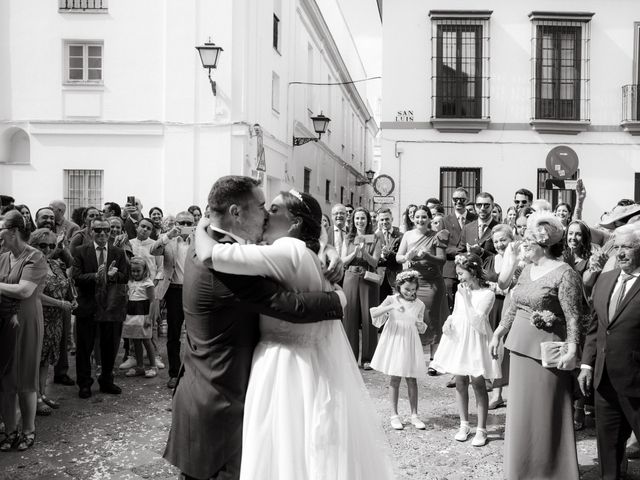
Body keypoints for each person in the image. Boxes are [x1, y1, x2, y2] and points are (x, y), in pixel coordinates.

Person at [196, 189, 395, 480]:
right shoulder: (305, 251)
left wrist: (201, 227)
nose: (266, 214)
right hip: (307, 357)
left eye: (274, 210)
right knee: (308, 444)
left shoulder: (288, 250)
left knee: (282, 446)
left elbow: (214, 255)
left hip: (285, 362)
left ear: (294, 224)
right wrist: (326, 247)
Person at [163, 176, 345, 480]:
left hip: (207, 389)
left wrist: (323, 248)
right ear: (236, 212)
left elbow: (290, 250)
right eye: (262, 207)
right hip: (219, 400)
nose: (266, 215)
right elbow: (289, 305)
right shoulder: (219, 267)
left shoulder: (219, 242)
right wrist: (339, 299)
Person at [489, 211, 583, 479]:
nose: (522, 245)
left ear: (543, 243)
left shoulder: (565, 274)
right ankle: (521, 469)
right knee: (521, 415)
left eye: (528, 241)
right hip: (519, 349)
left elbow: (574, 315)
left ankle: (554, 470)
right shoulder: (526, 269)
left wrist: (573, 350)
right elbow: (514, 303)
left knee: (547, 412)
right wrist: (499, 332)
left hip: (548, 353)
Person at [578, 222, 640, 480]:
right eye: (617, 247)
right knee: (608, 450)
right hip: (604, 383)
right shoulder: (605, 280)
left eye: (628, 247)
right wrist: (586, 365)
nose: (621, 253)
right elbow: (596, 326)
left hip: (637, 383)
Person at [431, 253, 499, 447]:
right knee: (460, 382)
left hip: (475, 341)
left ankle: (482, 428)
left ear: (473, 271)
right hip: (459, 340)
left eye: (461, 273)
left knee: (478, 384)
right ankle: (464, 424)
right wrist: (448, 322)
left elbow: (478, 322)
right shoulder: (461, 290)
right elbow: (457, 313)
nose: (459, 278)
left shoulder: (488, 294)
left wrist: (467, 298)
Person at [0, 210, 48, 451]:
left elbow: (24, 291)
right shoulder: (3, 256)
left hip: (26, 321)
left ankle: (28, 430)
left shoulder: (36, 257)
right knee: (5, 379)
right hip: (3, 322)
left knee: (25, 378)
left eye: (1, 229)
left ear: (13, 231)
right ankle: (9, 430)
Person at [72, 216, 129, 399]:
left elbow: (125, 276)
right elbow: (77, 277)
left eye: (106, 229)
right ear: (90, 231)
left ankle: (106, 380)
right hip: (88, 305)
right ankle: (85, 383)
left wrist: (112, 275)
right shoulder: (81, 251)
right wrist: (97, 276)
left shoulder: (118, 252)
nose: (103, 233)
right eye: (98, 230)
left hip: (111, 306)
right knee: (84, 347)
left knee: (109, 346)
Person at [370, 270, 427, 430]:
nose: (410, 292)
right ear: (399, 287)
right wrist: (390, 306)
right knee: (395, 378)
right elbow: (374, 314)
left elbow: (421, 325)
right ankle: (394, 415)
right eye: (407, 289)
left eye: (413, 289)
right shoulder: (391, 299)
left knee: (411, 378)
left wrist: (421, 325)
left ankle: (414, 415)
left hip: (410, 341)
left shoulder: (419, 304)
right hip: (395, 340)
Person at [29, 229, 75, 416]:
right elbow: (33, 293)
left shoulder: (54, 263)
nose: (47, 249)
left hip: (56, 319)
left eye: (51, 245)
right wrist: (60, 303)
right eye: (42, 245)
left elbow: (66, 284)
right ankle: (34, 399)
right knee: (34, 359)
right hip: (39, 316)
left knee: (46, 359)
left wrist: (71, 300)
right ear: (33, 245)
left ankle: (42, 393)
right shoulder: (30, 265)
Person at [396, 205, 448, 370]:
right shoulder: (407, 235)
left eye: (424, 217)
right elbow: (398, 256)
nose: (420, 220)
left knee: (432, 318)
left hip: (432, 283)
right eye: (417, 217)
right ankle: (414, 356)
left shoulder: (437, 236)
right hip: (413, 283)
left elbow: (442, 260)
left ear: (429, 219)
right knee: (412, 318)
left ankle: (434, 360)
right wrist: (406, 257)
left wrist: (427, 256)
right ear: (413, 218)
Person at [150, 211, 194, 388]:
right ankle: (174, 373)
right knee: (173, 334)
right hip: (174, 291)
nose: (184, 225)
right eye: (181, 222)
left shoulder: (200, 240)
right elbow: (153, 250)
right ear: (176, 223)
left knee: (195, 335)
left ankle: (193, 373)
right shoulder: (167, 239)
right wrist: (168, 235)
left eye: (188, 222)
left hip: (194, 291)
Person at [341, 207, 381, 369]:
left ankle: (368, 358)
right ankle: (350, 356)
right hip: (350, 277)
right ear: (353, 221)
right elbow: (343, 261)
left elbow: (375, 262)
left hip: (368, 278)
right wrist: (355, 253)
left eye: (363, 218)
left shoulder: (375, 238)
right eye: (357, 218)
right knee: (349, 317)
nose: (360, 221)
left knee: (368, 318)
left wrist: (364, 253)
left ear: (368, 220)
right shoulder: (348, 238)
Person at [443, 188, 477, 314]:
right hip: (450, 267)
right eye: (455, 199)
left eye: (462, 199)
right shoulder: (445, 220)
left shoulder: (474, 219)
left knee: (469, 300)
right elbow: (442, 246)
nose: (458, 202)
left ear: (467, 200)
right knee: (450, 301)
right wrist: (459, 252)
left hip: (469, 266)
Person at [122, 257, 157, 378]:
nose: (135, 273)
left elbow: (152, 301)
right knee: (135, 340)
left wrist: (149, 317)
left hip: (143, 314)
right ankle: (140, 367)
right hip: (132, 314)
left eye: (138, 271)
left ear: (144, 270)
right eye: (133, 271)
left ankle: (153, 366)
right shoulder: (130, 282)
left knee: (146, 340)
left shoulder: (148, 283)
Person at [457, 192, 498, 262]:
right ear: (475, 207)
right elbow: (460, 252)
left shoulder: (499, 228)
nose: (482, 208)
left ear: (493, 206)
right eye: (479, 205)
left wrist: (482, 252)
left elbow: (503, 256)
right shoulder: (467, 228)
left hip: (491, 270)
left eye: (486, 205)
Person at [376, 208, 403, 301]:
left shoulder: (400, 236)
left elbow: (401, 256)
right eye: (382, 220)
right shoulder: (375, 236)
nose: (384, 222)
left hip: (395, 276)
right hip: (379, 277)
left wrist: (389, 254)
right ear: (378, 221)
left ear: (392, 219)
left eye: (387, 219)